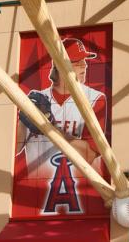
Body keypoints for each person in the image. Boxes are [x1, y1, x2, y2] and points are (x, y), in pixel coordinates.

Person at [15, 37, 108, 177]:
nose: (84, 65)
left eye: (84, 60)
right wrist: (23, 120)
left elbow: (89, 154)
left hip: (82, 192)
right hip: (37, 192)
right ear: (59, 66)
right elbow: (14, 150)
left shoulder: (95, 99)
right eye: (77, 62)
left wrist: (50, 128)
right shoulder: (37, 100)